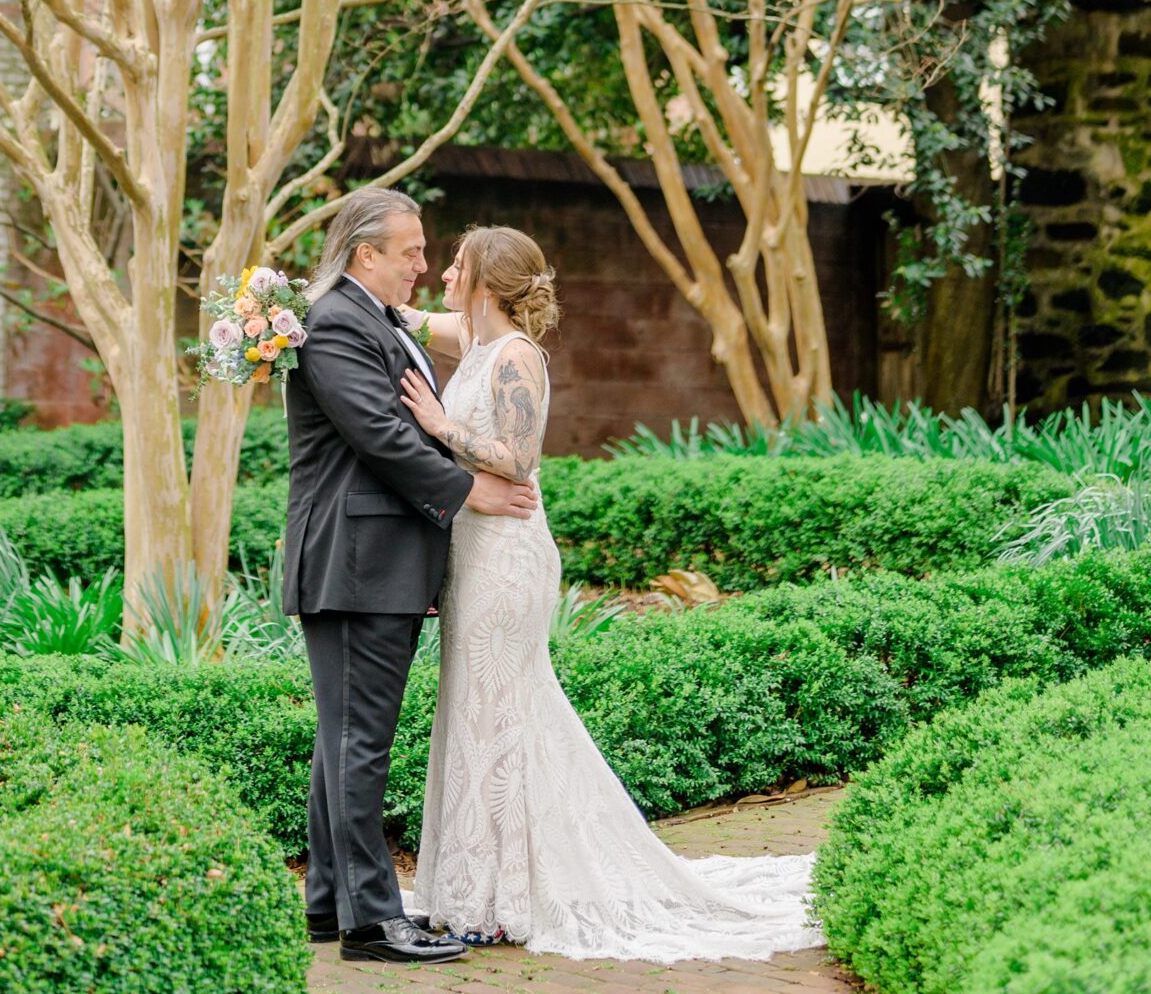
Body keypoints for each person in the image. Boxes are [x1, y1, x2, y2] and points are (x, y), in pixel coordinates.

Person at [396, 224, 823, 963]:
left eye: (455, 265)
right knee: (476, 708)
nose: (439, 275)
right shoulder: (470, 340)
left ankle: (504, 898)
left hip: (506, 558)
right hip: (470, 555)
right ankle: (482, 885)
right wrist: (282, 306)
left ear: (486, 283)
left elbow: (519, 459)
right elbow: (391, 311)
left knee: (498, 710)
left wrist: (437, 425)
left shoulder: (515, 357)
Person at [284, 189, 540, 965]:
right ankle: (371, 922)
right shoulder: (336, 324)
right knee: (360, 739)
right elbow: (380, 436)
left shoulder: (372, 316)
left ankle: (331, 904)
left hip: (372, 562)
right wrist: (471, 491)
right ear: (366, 255)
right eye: (411, 252)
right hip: (359, 562)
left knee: (343, 738)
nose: (424, 266)